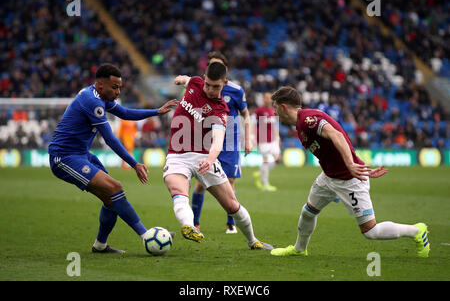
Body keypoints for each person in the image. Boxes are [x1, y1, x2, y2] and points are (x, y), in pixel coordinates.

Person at [269, 86, 430, 258]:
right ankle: (300, 249)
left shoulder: (308, 120)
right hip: (329, 178)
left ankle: (416, 231)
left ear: (284, 106)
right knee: (308, 212)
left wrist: (351, 165)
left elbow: (337, 135)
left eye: (275, 107)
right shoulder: (300, 124)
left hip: (349, 179)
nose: (274, 112)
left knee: (371, 231)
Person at [48, 63, 178, 253]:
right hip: (64, 157)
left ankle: (100, 245)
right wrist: (134, 164)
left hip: (82, 155)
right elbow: (110, 139)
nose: (118, 91)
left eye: (120, 87)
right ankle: (146, 235)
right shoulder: (92, 102)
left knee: (111, 198)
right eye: (114, 87)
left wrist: (156, 111)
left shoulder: (99, 96)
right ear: (100, 85)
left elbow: (124, 113)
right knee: (115, 188)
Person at [164, 61, 272, 250]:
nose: (210, 90)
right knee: (178, 192)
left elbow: (218, 139)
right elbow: (188, 80)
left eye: (216, 86)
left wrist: (210, 160)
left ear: (224, 83)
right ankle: (189, 226)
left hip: (203, 158)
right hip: (177, 156)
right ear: (204, 79)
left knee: (232, 205)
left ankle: (253, 240)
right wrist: (180, 79)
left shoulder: (220, 109)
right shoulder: (196, 83)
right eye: (208, 84)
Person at [174, 51, 252, 234]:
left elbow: (246, 115)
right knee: (201, 183)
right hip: (208, 138)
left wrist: (248, 138)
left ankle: (230, 224)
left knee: (230, 181)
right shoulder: (202, 86)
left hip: (230, 139)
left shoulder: (236, 90)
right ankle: (196, 222)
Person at [253, 91, 281, 191]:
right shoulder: (259, 110)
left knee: (278, 159)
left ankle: (260, 173)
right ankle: (265, 185)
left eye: (269, 98)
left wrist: (278, 139)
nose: (267, 99)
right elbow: (253, 123)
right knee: (265, 160)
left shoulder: (273, 111)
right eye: (266, 97)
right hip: (263, 139)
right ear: (263, 99)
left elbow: (275, 126)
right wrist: (253, 137)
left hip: (273, 139)